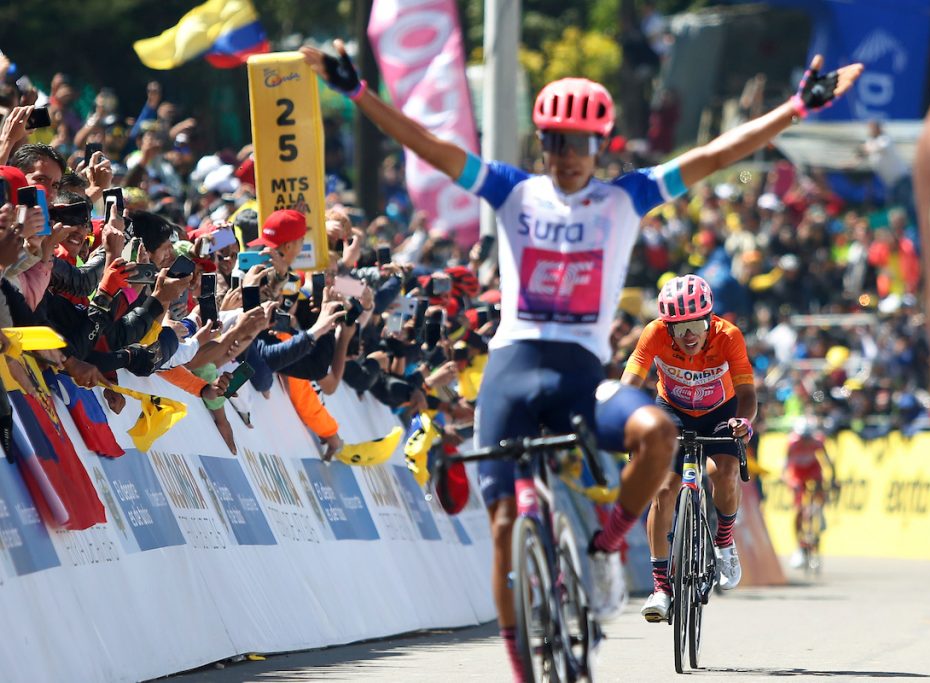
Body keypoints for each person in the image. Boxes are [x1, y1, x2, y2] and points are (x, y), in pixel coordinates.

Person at [300, 40, 861, 681]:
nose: (564, 156)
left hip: (575, 373)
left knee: (658, 433)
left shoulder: (623, 199)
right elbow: (430, 146)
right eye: (553, 143)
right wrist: (358, 93)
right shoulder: (512, 191)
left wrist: (794, 108)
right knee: (506, 519)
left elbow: (713, 157)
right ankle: (520, 664)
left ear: (601, 146)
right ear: (540, 145)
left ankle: (604, 547)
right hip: (512, 366)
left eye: (577, 143)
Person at [621, 274, 757, 622]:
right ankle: (661, 588)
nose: (689, 335)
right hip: (673, 411)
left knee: (724, 472)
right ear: (666, 327)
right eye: (679, 328)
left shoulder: (729, 336)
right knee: (664, 490)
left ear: (710, 318)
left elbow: (747, 395)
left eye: (697, 323)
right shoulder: (652, 333)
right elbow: (630, 383)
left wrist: (742, 423)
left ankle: (724, 541)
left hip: (720, 412)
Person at [785, 416, 836, 569]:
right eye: (803, 438)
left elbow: (828, 462)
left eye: (808, 438)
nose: (806, 441)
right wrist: (789, 481)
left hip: (813, 470)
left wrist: (833, 479)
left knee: (820, 489)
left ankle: (819, 512)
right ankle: (799, 547)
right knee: (799, 510)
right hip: (798, 474)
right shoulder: (792, 443)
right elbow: (785, 466)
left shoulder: (818, 441)